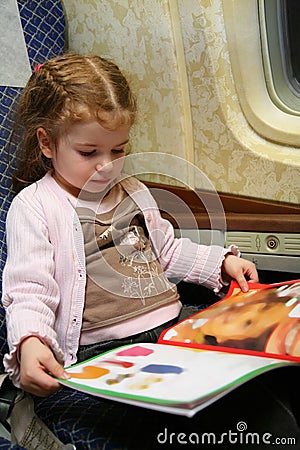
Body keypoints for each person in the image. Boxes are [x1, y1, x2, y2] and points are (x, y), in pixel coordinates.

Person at [3, 53, 299, 449]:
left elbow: (167, 251)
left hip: (175, 327)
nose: (107, 167)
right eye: (89, 153)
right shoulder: (35, 207)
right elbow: (29, 289)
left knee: (267, 406)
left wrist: (221, 263)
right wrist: (32, 341)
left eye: (119, 151)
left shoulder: (134, 193)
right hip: (104, 350)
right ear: (47, 143)